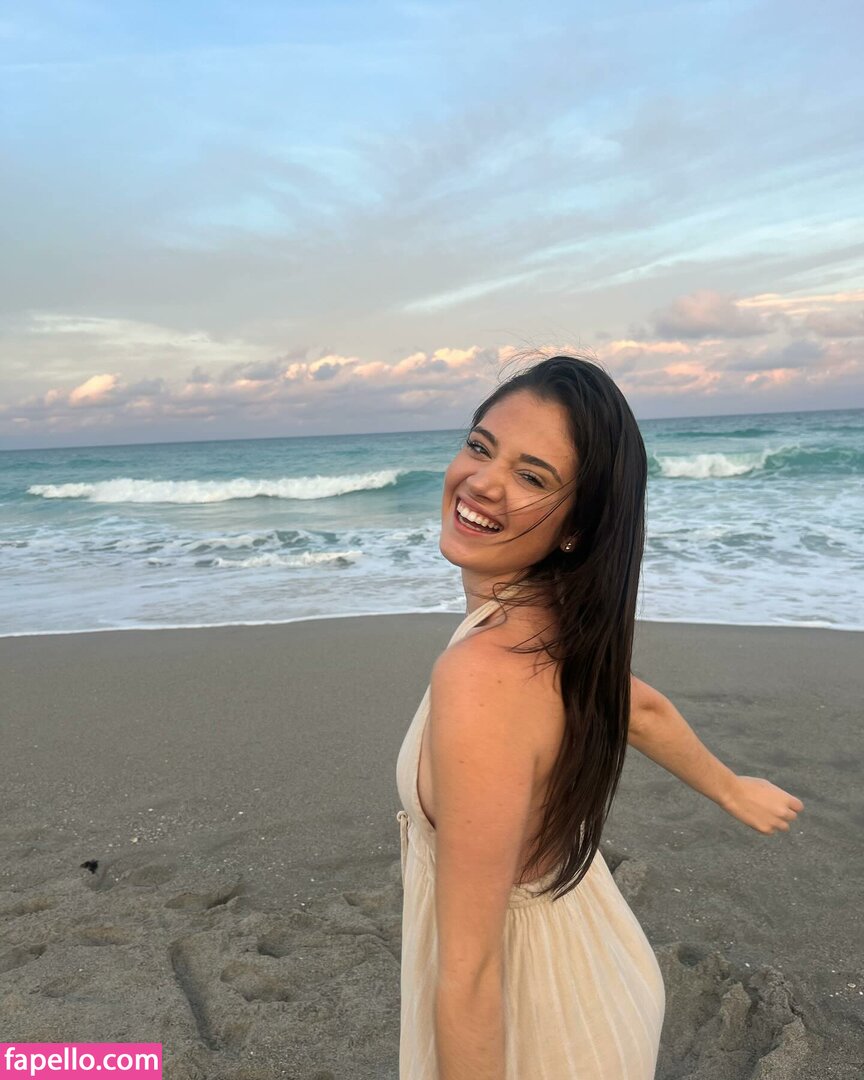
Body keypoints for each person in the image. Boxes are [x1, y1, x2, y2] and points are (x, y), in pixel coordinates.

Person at [394, 354, 804, 1080]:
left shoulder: (485, 672)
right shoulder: (552, 625)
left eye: (532, 477)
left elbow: (472, 975)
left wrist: (730, 789)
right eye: (481, 446)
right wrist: (730, 788)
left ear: (578, 527)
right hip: (593, 968)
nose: (482, 482)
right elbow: (635, 706)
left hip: (544, 1027)